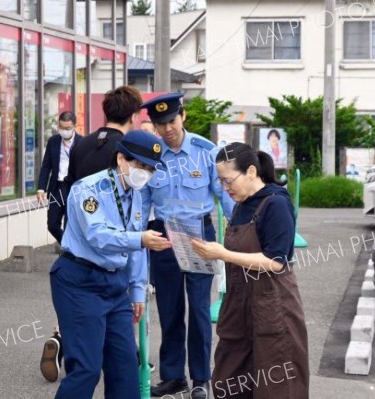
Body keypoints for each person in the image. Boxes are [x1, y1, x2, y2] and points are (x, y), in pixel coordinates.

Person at [50, 130, 171, 399]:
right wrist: (140, 238)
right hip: (79, 280)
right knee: (86, 369)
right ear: (121, 159)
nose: (145, 173)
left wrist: (137, 290)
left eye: (150, 169)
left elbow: (137, 251)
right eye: (140, 165)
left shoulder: (137, 196)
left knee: (125, 367)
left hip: (115, 284)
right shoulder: (89, 189)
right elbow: (98, 236)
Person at [41, 85, 144, 382]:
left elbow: (67, 186)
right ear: (133, 116)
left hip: (79, 246)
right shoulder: (128, 151)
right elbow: (126, 227)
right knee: (102, 356)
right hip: (108, 253)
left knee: (86, 340)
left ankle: (61, 340)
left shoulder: (83, 145)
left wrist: (60, 226)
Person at [190, 142, 309, 398]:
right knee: (229, 379)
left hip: (271, 306)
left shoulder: (276, 203)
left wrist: (223, 253)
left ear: (252, 172)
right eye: (220, 181)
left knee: (276, 384)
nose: (225, 187)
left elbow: (276, 261)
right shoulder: (241, 205)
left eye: (229, 180)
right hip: (238, 307)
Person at [141, 92, 234, 399]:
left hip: (198, 235)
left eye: (170, 121)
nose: (166, 129)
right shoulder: (152, 156)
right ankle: (172, 376)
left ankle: (200, 378)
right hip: (164, 237)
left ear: (183, 116)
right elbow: (142, 201)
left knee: (198, 309)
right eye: (159, 124)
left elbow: (224, 194)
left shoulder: (207, 151)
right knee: (169, 309)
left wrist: (242, 225)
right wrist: (134, 236)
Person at [37, 111, 81, 243]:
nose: (64, 131)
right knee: (52, 225)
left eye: (67, 128)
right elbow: (46, 167)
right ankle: (68, 245)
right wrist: (41, 188)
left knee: (70, 223)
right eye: (61, 128)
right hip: (57, 187)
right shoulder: (53, 141)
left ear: (74, 126)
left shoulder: (82, 142)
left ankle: (69, 252)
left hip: (73, 188)